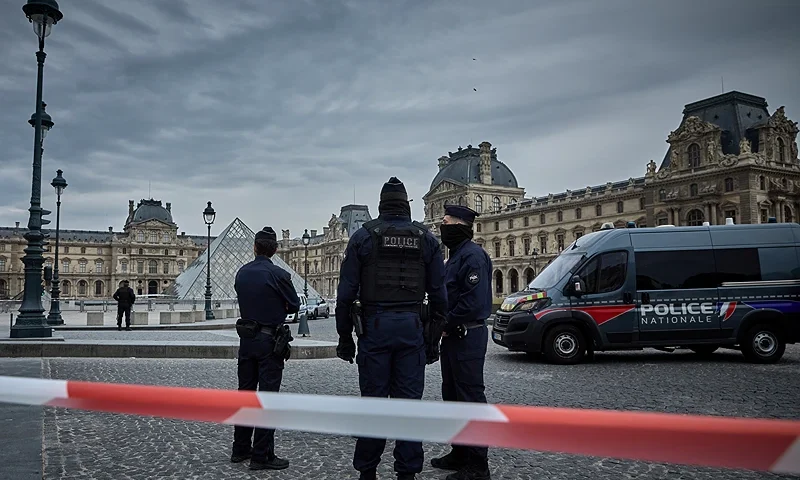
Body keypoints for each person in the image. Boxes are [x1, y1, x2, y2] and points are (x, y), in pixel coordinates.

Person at [336, 177, 448, 480]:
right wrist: (434, 340)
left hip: (374, 329)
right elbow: (439, 296)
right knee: (409, 406)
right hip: (412, 329)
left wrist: (345, 337)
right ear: (406, 206)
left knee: (373, 404)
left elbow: (345, 295)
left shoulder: (363, 237)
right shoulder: (426, 239)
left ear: (381, 205)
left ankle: (367, 472)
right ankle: (407, 473)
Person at [431, 205, 493, 480]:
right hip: (455, 338)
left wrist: (445, 322)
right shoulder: (455, 257)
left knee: (470, 398)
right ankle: (460, 452)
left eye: (445, 222)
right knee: (452, 396)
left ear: (460, 225)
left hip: (467, 335)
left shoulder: (473, 256)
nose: (441, 227)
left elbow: (473, 303)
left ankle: (478, 465)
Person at [231, 226, 300, 471]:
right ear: (276, 249)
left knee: (245, 394)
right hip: (270, 341)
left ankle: (240, 449)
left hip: (246, 340)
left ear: (254, 247)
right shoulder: (279, 274)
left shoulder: (242, 272)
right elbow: (293, 305)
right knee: (267, 398)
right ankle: (261, 455)